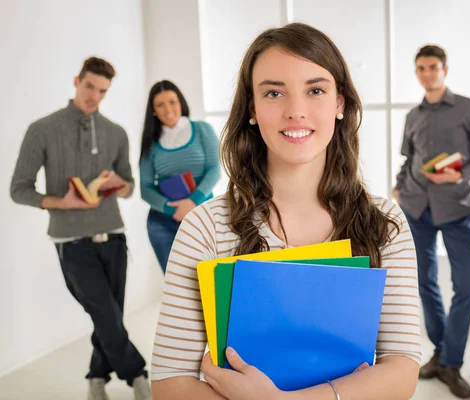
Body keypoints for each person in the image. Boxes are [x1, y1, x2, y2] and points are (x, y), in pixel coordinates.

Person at [150, 22, 421, 400]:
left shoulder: (383, 224)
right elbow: (169, 384)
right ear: (252, 108)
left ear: (339, 102)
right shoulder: (205, 228)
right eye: (274, 92)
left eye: (315, 90)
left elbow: (403, 370)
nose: (296, 111)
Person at [10, 57, 151, 399]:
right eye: (89, 86)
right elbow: (19, 189)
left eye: (102, 91)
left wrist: (120, 182)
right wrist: (64, 203)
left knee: (109, 317)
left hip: (113, 236)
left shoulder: (115, 133)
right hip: (70, 241)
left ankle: (96, 377)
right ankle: (138, 376)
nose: (94, 96)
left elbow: (131, 186)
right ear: (77, 81)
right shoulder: (42, 129)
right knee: (104, 312)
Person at [392, 45, 470, 398]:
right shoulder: (412, 116)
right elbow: (409, 161)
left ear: (445, 69)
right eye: (421, 67)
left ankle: (452, 363)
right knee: (424, 283)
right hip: (417, 210)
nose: (427, 73)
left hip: (457, 210)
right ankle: (441, 354)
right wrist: (399, 188)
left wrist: (459, 175)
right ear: (417, 72)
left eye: (433, 67)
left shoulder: (469, 109)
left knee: (467, 287)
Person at [139, 80, 221, 273]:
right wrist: (170, 209)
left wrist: (192, 203)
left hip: (202, 216)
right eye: (160, 104)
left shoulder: (202, 130)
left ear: (180, 102)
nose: (168, 109)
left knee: (209, 280)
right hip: (163, 223)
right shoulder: (151, 143)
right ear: (153, 110)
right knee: (176, 286)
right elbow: (145, 187)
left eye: (172, 101)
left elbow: (214, 169)